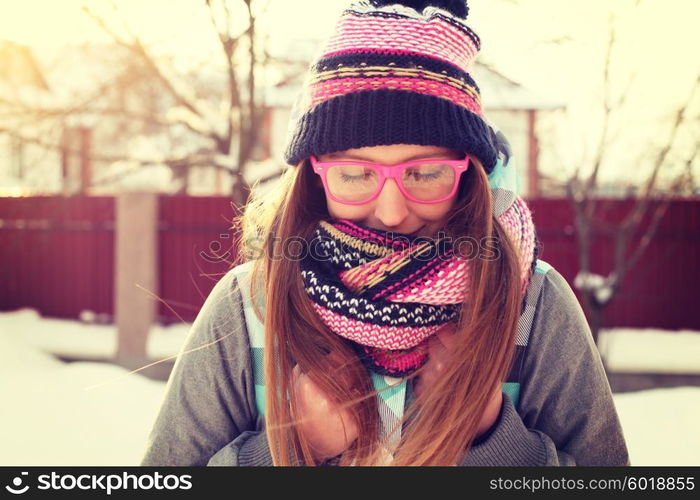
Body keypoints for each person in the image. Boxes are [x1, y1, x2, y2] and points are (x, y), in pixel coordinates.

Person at [140, 0, 629, 466]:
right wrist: (295, 449)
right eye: (355, 175)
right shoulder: (249, 304)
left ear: (469, 173)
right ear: (315, 176)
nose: (392, 212)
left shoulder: (532, 304)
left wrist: (487, 437)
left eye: (425, 173)